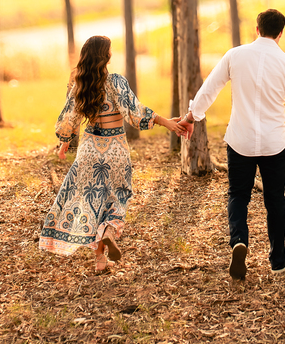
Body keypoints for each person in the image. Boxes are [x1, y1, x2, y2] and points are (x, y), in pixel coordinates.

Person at [180, 8, 285, 280]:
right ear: (280, 34)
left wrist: (192, 116)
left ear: (257, 29)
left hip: (239, 140)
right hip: (274, 144)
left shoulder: (235, 55)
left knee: (238, 195)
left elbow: (210, 88)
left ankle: (239, 240)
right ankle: (278, 259)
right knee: (275, 200)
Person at [39, 35, 188, 273]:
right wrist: (166, 123)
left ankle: (99, 261)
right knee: (118, 196)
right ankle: (108, 231)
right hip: (115, 148)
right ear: (106, 56)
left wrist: (65, 142)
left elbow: (69, 118)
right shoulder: (116, 81)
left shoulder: (80, 84)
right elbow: (136, 113)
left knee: (92, 201)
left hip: (89, 149)